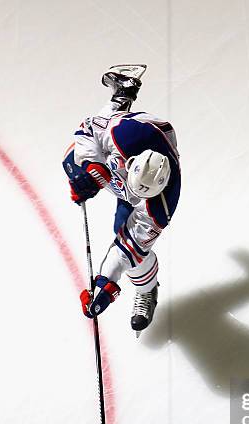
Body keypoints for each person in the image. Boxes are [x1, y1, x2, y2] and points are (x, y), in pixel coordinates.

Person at [62, 64, 180, 334]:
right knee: (71, 161)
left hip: (134, 178)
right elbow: (87, 129)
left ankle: (147, 291)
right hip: (131, 143)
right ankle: (123, 95)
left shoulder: (159, 208)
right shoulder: (127, 134)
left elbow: (127, 249)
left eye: (142, 193)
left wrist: (106, 286)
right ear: (132, 162)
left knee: (131, 246)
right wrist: (94, 170)